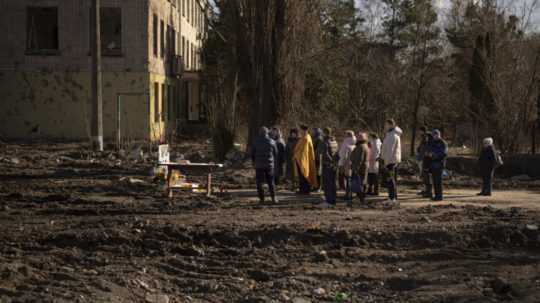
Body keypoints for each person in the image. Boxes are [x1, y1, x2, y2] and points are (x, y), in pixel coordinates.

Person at [250, 127, 278, 204]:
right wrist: (273, 161)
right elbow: (276, 153)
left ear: (260, 133)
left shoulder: (255, 142)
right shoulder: (272, 141)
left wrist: (254, 162)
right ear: (267, 133)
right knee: (271, 182)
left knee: (259, 183)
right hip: (269, 165)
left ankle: (262, 199)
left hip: (259, 165)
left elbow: (252, 154)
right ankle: (273, 198)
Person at [381, 119, 402, 205]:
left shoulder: (392, 136)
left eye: (386, 125)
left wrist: (386, 162)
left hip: (391, 160)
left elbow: (390, 150)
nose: (385, 126)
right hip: (391, 160)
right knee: (391, 179)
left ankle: (392, 198)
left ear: (390, 125)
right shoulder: (390, 134)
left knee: (390, 179)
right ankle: (392, 197)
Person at [293, 125, 318, 194]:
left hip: (302, 160)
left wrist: (297, 157)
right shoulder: (305, 137)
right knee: (302, 175)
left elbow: (303, 151)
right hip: (301, 159)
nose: (300, 131)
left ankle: (304, 190)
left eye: (301, 130)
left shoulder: (305, 138)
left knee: (303, 175)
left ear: (304, 130)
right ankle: (303, 189)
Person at [319, 127, 339, 207]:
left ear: (325, 133)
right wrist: (334, 162)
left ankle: (328, 201)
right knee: (333, 183)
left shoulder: (324, 142)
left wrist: (330, 161)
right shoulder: (334, 141)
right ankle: (333, 199)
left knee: (327, 183)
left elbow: (324, 153)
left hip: (327, 165)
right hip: (334, 165)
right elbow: (337, 153)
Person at [427, 129, 448, 201]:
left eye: (436, 134)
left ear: (439, 135)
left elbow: (444, 153)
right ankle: (436, 195)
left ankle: (440, 196)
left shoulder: (443, 143)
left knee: (438, 181)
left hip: (439, 163)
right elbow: (429, 150)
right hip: (432, 164)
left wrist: (434, 155)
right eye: (434, 135)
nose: (435, 136)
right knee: (434, 181)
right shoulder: (432, 142)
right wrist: (429, 154)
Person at [349, 132, 369, 205]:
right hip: (364, 167)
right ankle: (361, 199)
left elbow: (359, 159)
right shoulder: (365, 146)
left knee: (358, 184)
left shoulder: (360, 147)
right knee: (362, 183)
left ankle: (361, 199)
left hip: (359, 168)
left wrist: (356, 168)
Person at [416, 126, 433, 198]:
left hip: (425, 159)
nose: (419, 132)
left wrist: (420, 152)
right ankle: (425, 190)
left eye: (420, 131)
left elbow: (425, 148)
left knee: (426, 175)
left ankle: (428, 191)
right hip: (423, 158)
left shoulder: (426, 137)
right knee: (424, 175)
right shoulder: (425, 137)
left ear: (423, 131)